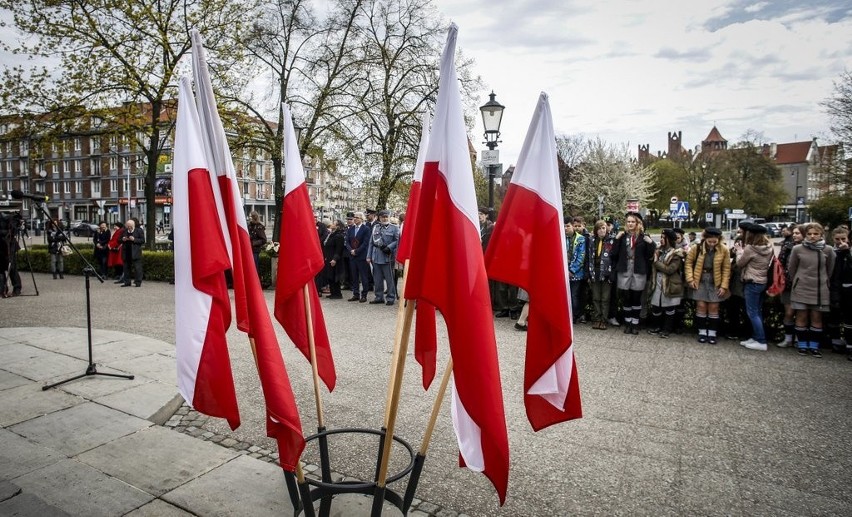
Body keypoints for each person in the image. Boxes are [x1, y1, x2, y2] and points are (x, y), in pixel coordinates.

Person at [788, 222, 835, 358]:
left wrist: (825, 281)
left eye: (816, 234)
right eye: (809, 234)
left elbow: (830, 269)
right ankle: (802, 345)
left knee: (816, 317)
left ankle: (814, 346)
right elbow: (792, 268)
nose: (812, 236)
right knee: (801, 315)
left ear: (821, 235)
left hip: (820, 289)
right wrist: (798, 280)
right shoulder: (797, 249)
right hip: (802, 287)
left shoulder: (828, 250)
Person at [610, 212, 655, 334]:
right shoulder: (623, 236)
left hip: (638, 270)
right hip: (625, 269)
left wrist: (651, 243)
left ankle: (635, 323)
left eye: (632, 222)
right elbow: (613, 254)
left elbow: (650, 254)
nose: (630, 224)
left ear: (637, 223)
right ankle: (628, 322)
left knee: (636, 298)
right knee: (626, 297)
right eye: (628, 221)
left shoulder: (643, 236)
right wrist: (616, 239)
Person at [684, 227, 731, 344]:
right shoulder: (697, 248)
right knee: (701, 305)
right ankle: (702, 331)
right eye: (709, 241)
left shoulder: (724, 249)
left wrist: (724, 286)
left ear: (719, 239)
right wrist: (690, 279)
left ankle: (712, 333)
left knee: (714, 306)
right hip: (700, 279)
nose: (712, 244)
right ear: (705, 238)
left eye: (714, 242)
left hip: (716, 280)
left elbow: (726, 268)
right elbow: (688, 263)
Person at [734, 223, 774, 351]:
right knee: (757, 311)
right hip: (762, 281)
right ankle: (756, 337)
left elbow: (740, 263)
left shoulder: (751, 248)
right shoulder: (768, 246)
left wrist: (739, 252)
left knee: (752, 313)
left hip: (752, 281)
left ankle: (761, 341)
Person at [647, 229, 685, 338]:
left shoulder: (676, 253)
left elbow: (670, 270)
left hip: (669, 282)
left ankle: (667, 329)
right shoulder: (658, 250)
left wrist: (656, 262)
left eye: (664, 238)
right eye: (661, 237)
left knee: (669, 307)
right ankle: (656, 326)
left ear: (670, 239)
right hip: (657, 281)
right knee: (656, 306)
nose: (661, 240)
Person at [775, 224, 803, 347]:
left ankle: (799, 339)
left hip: (804, 285)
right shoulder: (787, 246)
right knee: (789, 313)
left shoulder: (811, 248)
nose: (795, 235)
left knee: (802, 314)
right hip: (788, 284)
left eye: (798, 233)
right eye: (795, 233)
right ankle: (788, 338)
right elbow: (780, 264)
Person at [366, 210, 401, 305]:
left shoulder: (394, 228)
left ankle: (390, 297)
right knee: (377, 279)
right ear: (379, 218)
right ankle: (379, 297)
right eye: (382, 217)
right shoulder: (376, 227)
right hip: (376, 256)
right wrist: (368, 256)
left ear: (389, 217)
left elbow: (398, 241)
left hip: (387, 257)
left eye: (386, 217)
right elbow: (371, 242)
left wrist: (389, 247)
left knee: (389, 279)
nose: (384, 218)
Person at [827, 225, 851, 359]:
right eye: (837, 239)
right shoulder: (831, 251)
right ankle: (835, 343)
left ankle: (849, 345)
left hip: (848, 290)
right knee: (834, 317)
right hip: (833, 288)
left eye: (843, 238)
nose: (840, 241)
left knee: (848, 319)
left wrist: (846, 253)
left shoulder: (849, 252)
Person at [587, 220, 615, 330]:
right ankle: (597, 318)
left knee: (605, 298)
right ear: (595, 230)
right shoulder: (592, 240)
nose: (601, 230)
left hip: (606, 272)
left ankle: (604, 319)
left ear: (607, 229)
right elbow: (589, 256)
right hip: (595, 271)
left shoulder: (611, 240)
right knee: (596, 297)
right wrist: (589, 273)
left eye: (603, 228)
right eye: (599, 228)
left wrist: (612, 273)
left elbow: (614, 258)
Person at [345, 211, 371, 302]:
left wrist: (356, 251)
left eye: (357, 217)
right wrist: (351, 250)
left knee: (363, 276)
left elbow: (365, 243)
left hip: (361, 256)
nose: (354, 219)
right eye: (354, 217)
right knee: (354, 276)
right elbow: (347, 241)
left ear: (361, 219)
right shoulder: (350, 229)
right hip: (352, 256)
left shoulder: (366, 229)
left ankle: (364, 295)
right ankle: (355, 294)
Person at [565, 216, 587, 324]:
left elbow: (581, 256)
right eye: (564, 226)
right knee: (565, 295)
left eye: (568, 226)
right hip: (562, 272)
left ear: (572, 226)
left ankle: (575, 315)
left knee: (574, 295)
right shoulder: (561, 237)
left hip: (576, 273)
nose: (566, 229)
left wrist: (571, 271)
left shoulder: (580, 239)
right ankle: (566, 314)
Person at [321, 220, 345, 299]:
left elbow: (339, 249)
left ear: (338, 226)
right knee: (330, 276)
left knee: (335, 276)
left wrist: (335, 259)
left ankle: (337, 293)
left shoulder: (339, 236)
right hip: (328, 257)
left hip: (334, 259)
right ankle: (333, 292)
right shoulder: (331, 234)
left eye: (334, 223)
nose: (332, 224)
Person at [120, 218, 145, 287]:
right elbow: (119, 240)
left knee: (137, 268)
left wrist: (134, 239)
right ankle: (127, 282)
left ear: (133, 226)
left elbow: (142, 240)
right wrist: (123, 239)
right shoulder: (124, 231)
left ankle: (138, 282)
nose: (129, 228)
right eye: (128, 226)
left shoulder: (139, 231)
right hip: (126, 252)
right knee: (126, 268)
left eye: (131, 226)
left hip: (135, 252)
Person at [248, 212, 266, 282]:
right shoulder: (249, 226)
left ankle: (256, 282)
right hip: (248, 250)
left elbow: (264, 239)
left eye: (250, 216)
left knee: (254, 267)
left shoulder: (259, 227)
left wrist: (253, 243)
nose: (249, 218)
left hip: (255, 250)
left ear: (254, 217)